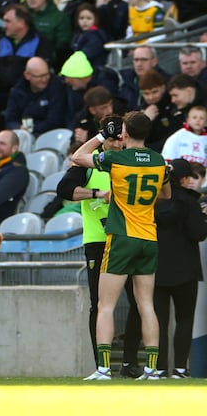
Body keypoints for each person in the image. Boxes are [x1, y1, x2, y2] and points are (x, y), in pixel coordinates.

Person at [71, 111, 171, 381]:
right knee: (146, 305)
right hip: (148, 237)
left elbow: (77, 157)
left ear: (124, 133)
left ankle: (104, 369)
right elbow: (166, 194)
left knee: (106, 305)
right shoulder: (159, 160)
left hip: (122, 236)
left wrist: (102, 135)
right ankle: (151, 369)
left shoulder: (116, 158)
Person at [57, 115, 143, 376]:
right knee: (98, 304)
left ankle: (129, 362)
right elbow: (64, 189)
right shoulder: (90, 164)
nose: (117, 145)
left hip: (127, 238)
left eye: (120, 139)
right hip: (98, 241)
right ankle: (101, 365)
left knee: (139, 303)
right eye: (112, 139)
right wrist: (97, 194)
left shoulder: (130, 161)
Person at [153, 159, 207, 378]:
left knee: (158, 321)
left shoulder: (153, 200)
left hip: (156, 268)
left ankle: (158, 368)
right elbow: (198, 234)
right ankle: (180, 368)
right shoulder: (190, 202)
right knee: (184, 320)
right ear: (185, 179)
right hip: (186, 269)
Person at [3, 57, 69, 136]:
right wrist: (18, 127)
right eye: (39, 76)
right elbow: (10, 119)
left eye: (46, 75)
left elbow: (55, 121)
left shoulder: (57, 88)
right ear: (27, 75)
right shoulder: (17, 91)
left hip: (50, 135)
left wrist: (31, 129)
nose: (44, 79)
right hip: (23, 134)